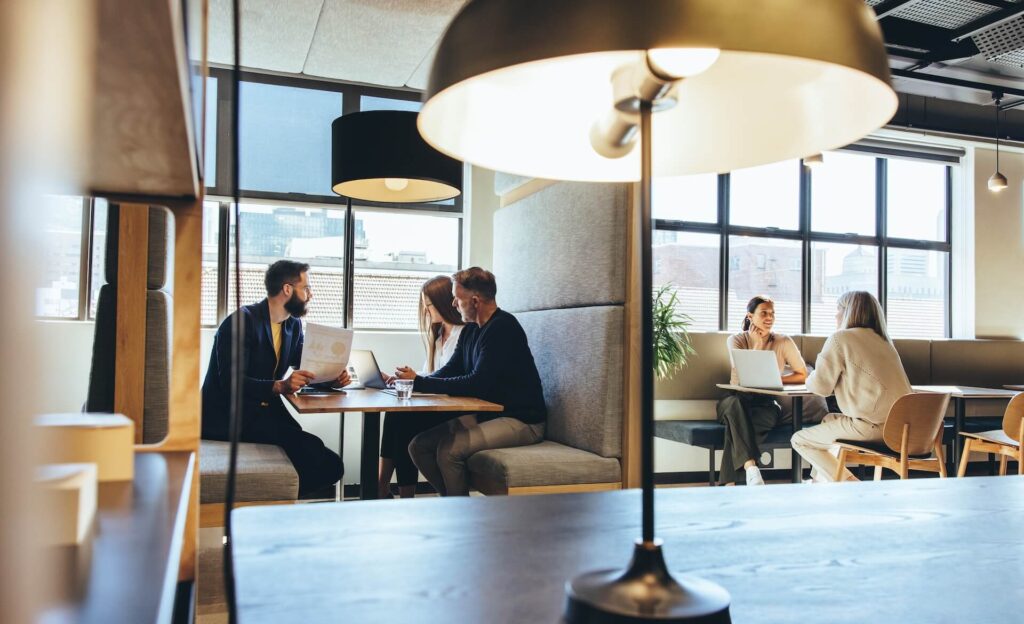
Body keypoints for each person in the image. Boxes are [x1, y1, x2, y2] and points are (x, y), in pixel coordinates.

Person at [201, 260, 348, 497]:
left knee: (330, 463)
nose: (310, 294)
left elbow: (306, 364)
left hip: (263, 410)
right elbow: (230, 383)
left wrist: (332, 378)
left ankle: (280, 507)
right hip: (229, 416)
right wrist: (280, 385)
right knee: (316, 457)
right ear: (288, 289)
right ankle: (275, 508)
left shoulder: (293, 324)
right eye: (306, 288)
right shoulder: (241, 322)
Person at [406, 267, 546, 496]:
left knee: (448, 451)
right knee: (419, 447)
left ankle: (462, 516)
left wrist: (421, 384)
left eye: (457, 299)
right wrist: (415, 381)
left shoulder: (503, 327)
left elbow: (476, 383)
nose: (453, 304)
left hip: (522, 420)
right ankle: (455, 504)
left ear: (475, 301)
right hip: (492, 415)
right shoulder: (471, 329)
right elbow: (453, 368)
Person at [792, 291, 912, 483]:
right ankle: (819, 482)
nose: (835, 315)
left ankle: (850, 483)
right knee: (829, 419)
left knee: (800, 440)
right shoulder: (885, 342)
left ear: (848, 312)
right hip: (903, 429)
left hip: (872, 427)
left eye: (838, 309)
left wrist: (808, 375)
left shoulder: (840, 339)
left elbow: (820, 387)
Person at [376, 275, 466, 498]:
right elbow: (430, 375)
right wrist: (402, 379)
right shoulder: (437, 336)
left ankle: (402, 493)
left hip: (454, 407)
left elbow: (450, 379)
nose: (426, 312)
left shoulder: (462, 334)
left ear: (446, 302)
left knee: (405, 418)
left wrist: (416, 379)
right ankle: (381, 486)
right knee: (395, 413)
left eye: (429, 306)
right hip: (438, 402)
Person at [717, 295, 810, 486]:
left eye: (772, 313)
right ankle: (751, 468)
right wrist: (758, 345)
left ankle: (732, 483)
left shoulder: (783, 341)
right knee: (735, 408)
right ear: (750, 317)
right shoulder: (736, 340)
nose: (769, 317)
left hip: (766, 405)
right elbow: (742, 373)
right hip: (735, 400)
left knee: (737, 428)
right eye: (764, 313)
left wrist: (776, 379)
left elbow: (802, 374)